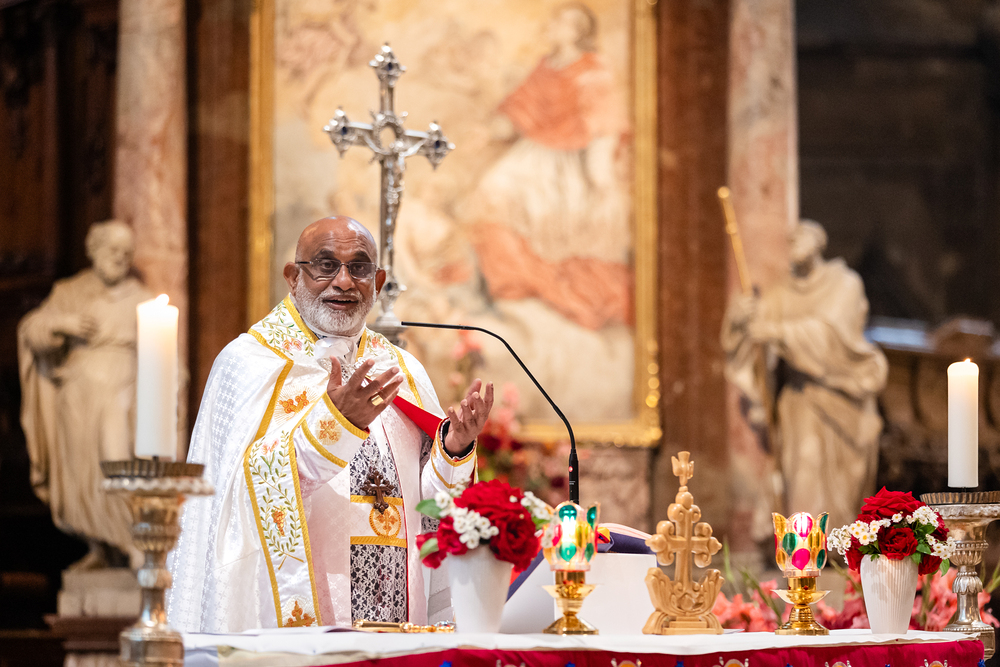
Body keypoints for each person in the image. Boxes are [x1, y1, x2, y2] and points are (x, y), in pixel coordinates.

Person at [168, 216, 493, 631]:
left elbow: (430, 508)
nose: (343, 281)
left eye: (358, 268)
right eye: (325, 265)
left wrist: (454, 450)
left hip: (401, 616)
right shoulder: (250, 362)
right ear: (293, 277)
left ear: (377, 282)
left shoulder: (401, 370)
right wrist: (336, 426)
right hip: (307, 616)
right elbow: (245, 490)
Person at [721, 220, 888, 532]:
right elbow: (752, 335)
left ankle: (838, 554)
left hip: (843, 400)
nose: (794, 243)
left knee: (842, 500)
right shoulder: (781, 291)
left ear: (819, 243)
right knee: (804, 481)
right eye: (791, 240)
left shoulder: (844, 284)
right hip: (801, 404)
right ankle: (804, 556)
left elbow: (831, 338)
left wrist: (775, 331)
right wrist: (740, 320)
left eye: (801, 238)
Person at [18, 220, 151, 569]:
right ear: (94, 251)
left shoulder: (142, 298)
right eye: (113, 250)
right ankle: (100, 548)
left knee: (116, 464)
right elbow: (31, 330)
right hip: (76, 397)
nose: (120, 258)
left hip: (122, 392)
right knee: (80, 474)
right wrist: (61, 324)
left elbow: (163, 355)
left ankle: (133, 541)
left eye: (127, 253)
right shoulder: (70, 292)